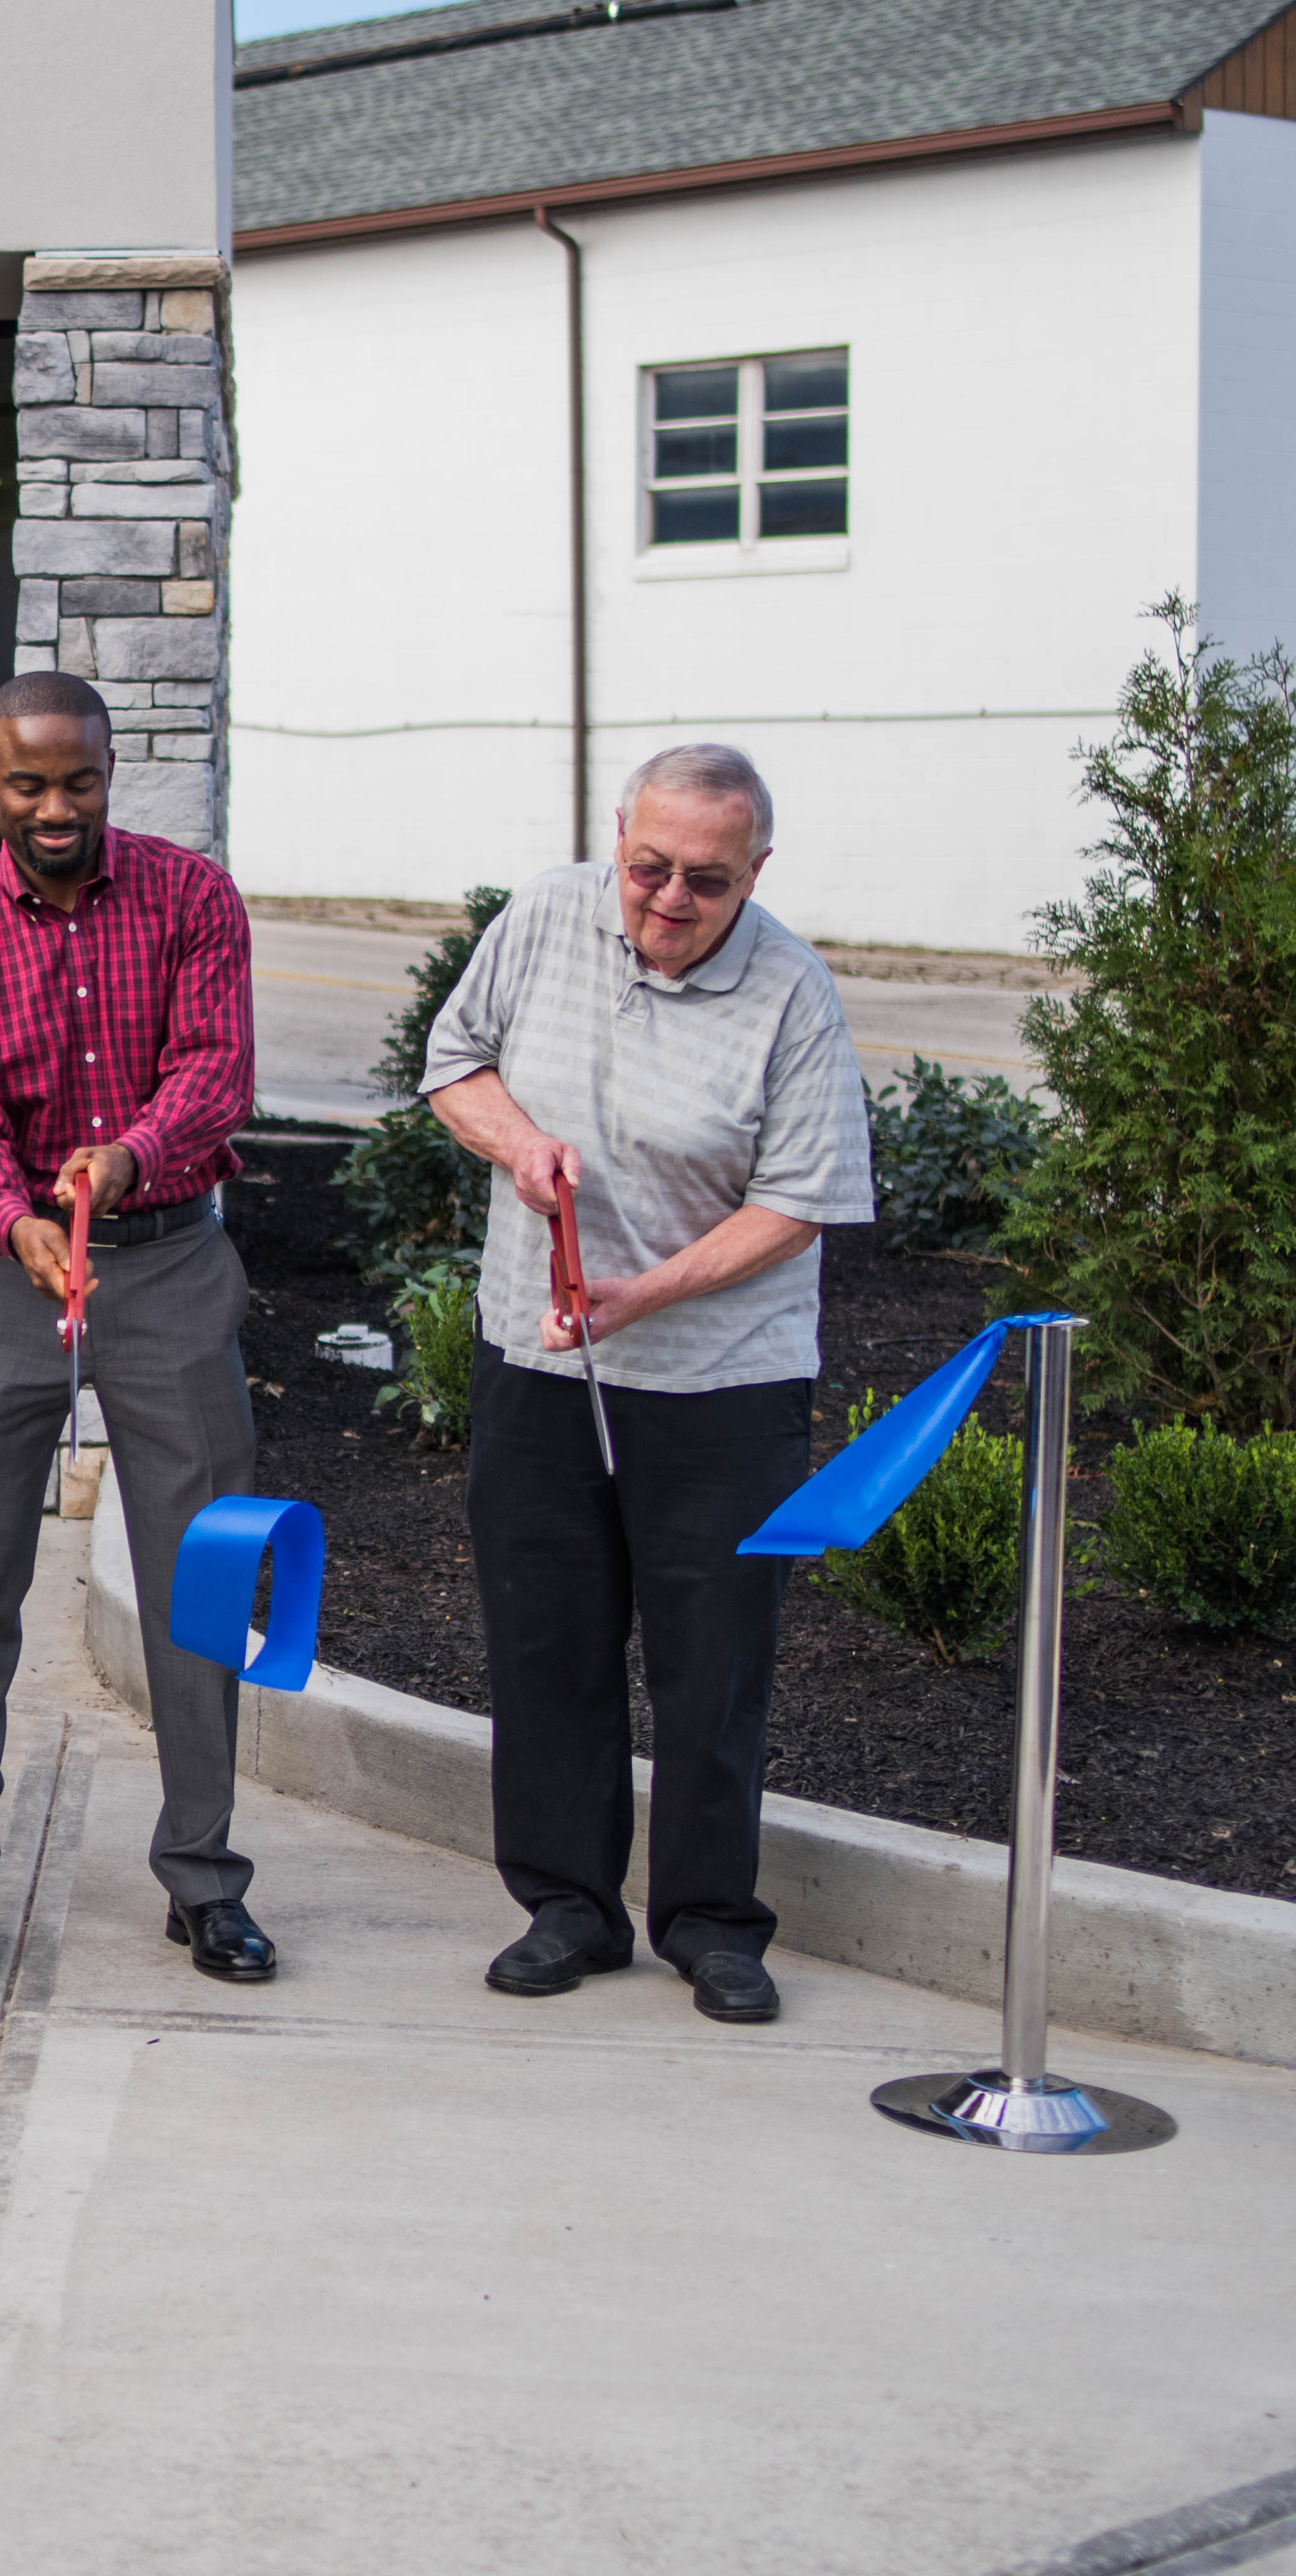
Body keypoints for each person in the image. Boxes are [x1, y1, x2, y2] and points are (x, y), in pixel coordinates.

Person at [418, 744, 873, 2026]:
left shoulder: (790, 989)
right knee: (545, 1642)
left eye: (705, 880)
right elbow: (454, 1061)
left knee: (709, 1663)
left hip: (718, 1379)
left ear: (755, 874)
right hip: (539, 1354)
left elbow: (799, 1203)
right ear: (615, 838)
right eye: (646, 866)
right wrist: (519, 1143)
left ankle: (711, 1923)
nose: (667, 898)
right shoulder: (545, 915)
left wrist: (645, 1290)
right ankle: (566, 1906)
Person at [0, 674, 269, 1986]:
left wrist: (126, 1161)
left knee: (196, 1575)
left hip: (165, 1257)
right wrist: (17, 1218)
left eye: (80, 779)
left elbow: (214, 1069)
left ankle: (205, 1875)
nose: (56, 807)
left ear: (110, 769)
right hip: (7, 1274)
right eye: (27, 782)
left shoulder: (188, 896)